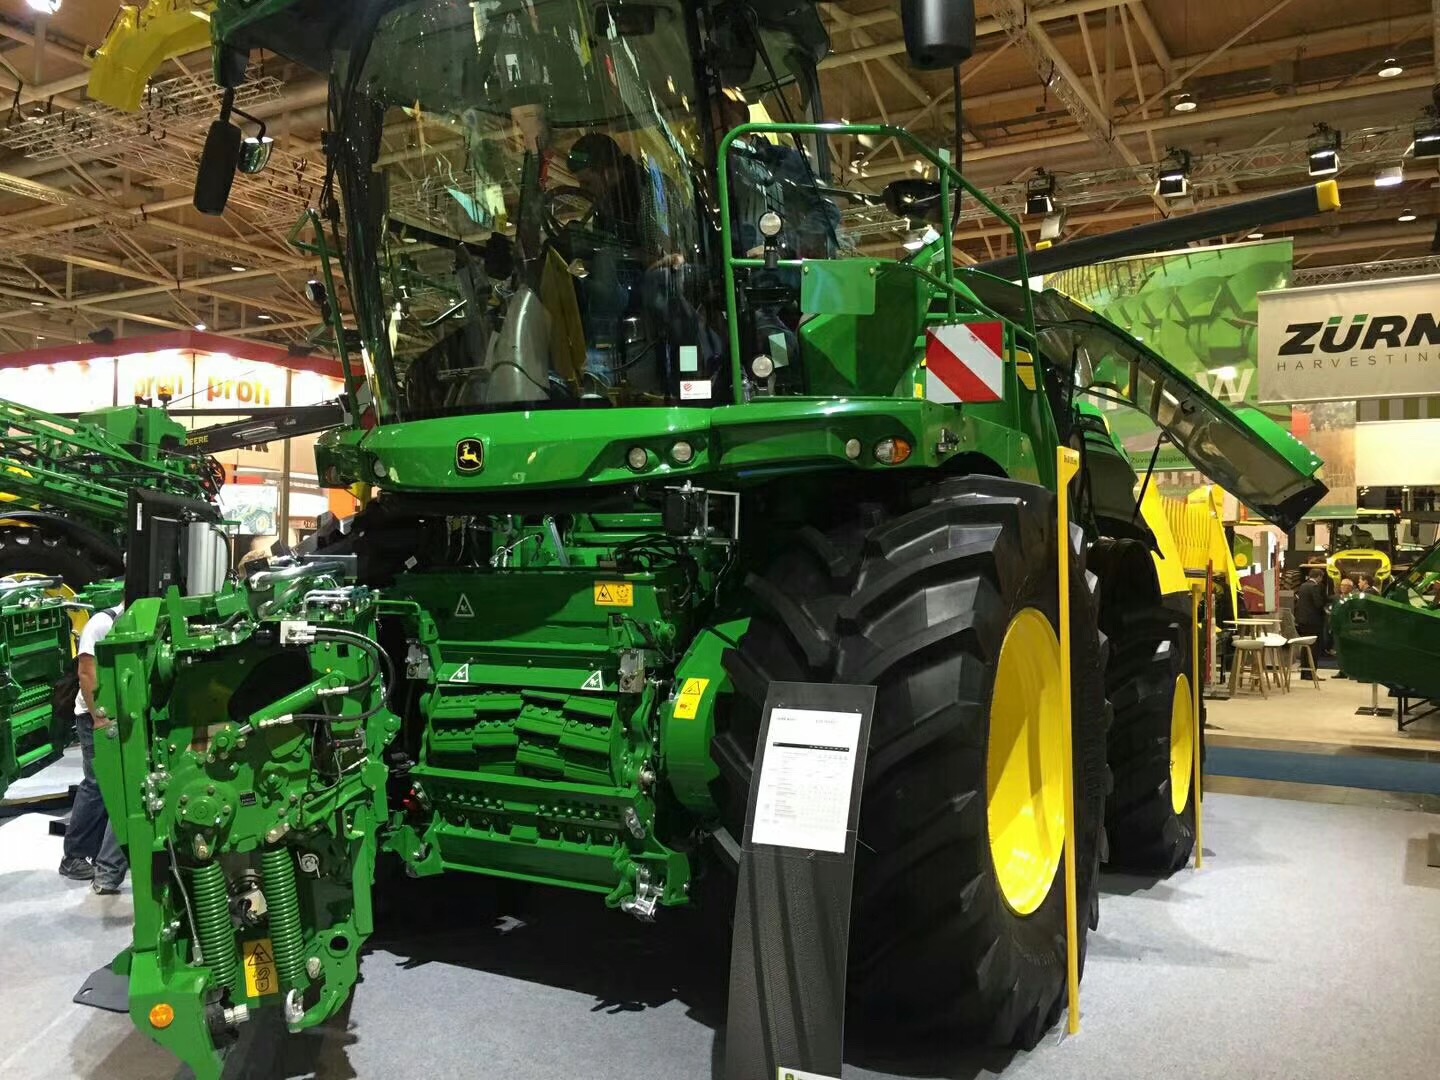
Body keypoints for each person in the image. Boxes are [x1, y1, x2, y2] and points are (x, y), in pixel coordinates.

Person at [57, 602, 128, 894]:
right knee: (98, 784)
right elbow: (86, 673)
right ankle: (74, 857)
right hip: (93, 718)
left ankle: (93, 858)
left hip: (117, 715)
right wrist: (99, 717)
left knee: (104, 785)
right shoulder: (102, 623)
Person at [1293, 569, 1326, 681]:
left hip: (1302, 621)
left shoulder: (1303, 586)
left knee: (1305, 647)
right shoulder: (1315, 587)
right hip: (1313, 622)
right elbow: (1318, 604)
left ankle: (1304, 673)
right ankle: (1311, 673)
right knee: (1313, 648)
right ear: (1319, 577)